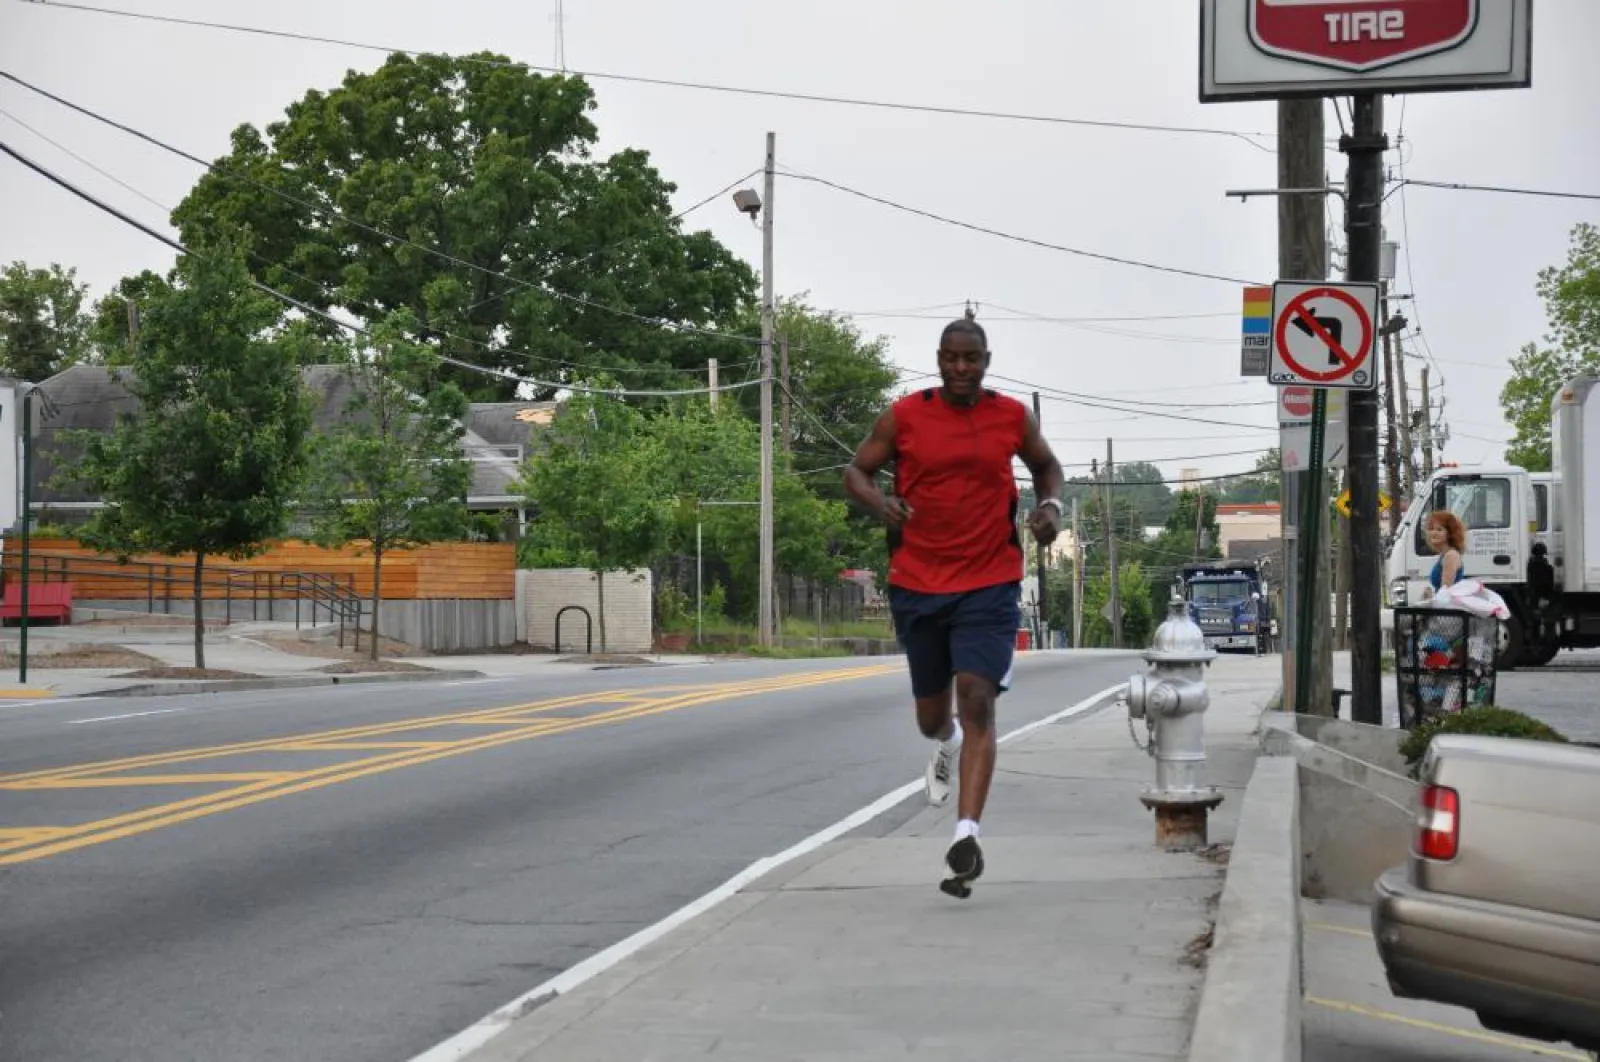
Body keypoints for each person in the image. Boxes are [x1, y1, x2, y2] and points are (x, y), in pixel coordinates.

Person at [843, 316, 1064, 899]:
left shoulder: (1012, 416)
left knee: (978, 701)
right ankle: (944, 745)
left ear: (987, 360)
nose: (961, 368)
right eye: (951, 358)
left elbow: (1047, 466)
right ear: (939, 360)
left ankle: (966, 836)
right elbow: (856, 472)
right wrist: (879, 502)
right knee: (931, 717)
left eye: (972, 359)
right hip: (918, 580)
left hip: (990, 580)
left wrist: (1050, 507)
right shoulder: (906, 415)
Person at [1423, 509, 1467, 597]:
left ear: (1450, 533)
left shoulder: (1450, 556)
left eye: (1439, 530)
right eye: (1431, 529)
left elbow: (1445, 593)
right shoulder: (1444, 555)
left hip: (1448, 608)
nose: (1434, 533)